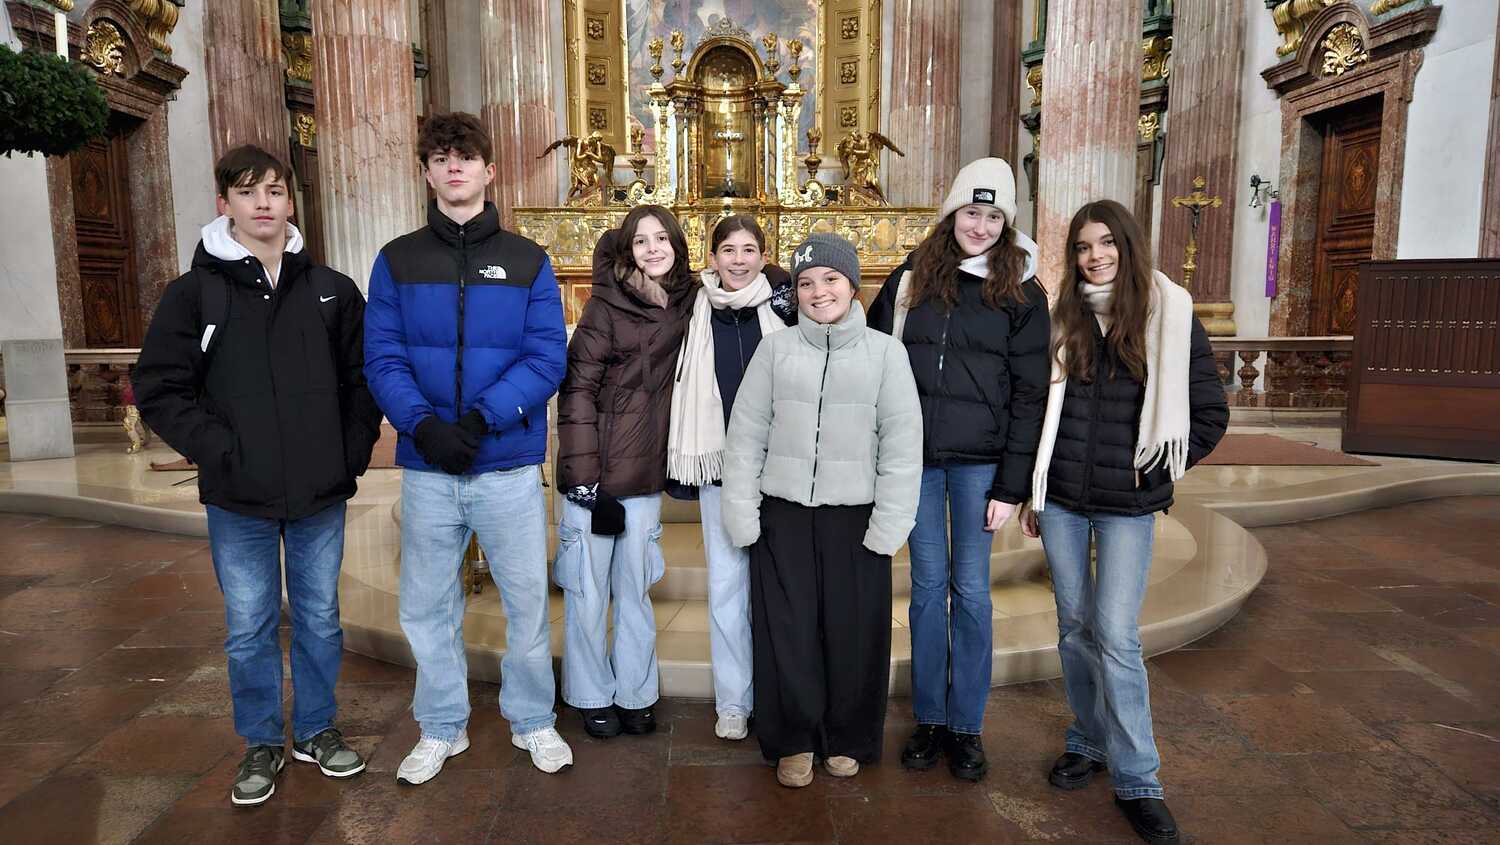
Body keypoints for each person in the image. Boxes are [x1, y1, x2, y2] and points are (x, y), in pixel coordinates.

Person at [133, 145, 382, 805]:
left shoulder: (331, 290)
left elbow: (364, 380)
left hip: (319, 490)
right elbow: (159, 386)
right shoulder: (195, 293)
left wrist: (348, 452)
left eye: (274, 190)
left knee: (320, 617)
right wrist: (218, 449)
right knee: (249, 624)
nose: (263, 203)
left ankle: (317, 729)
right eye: (247, 192)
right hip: (238, 494)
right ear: (225, 204)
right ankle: (262, 740)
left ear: (290, 201)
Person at [364, 111, 572, 782]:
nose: (453, 166)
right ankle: (441, 726)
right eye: (440, 157)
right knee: (427, 606)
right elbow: (383, 356)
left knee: (525, 601)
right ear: (427, 173)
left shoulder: (527, 260)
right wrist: (423, 426)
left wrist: (482, 420)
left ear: (489, 170)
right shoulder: (397, 259)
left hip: (505, 463)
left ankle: (532, 719)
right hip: (429, 467)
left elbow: (546, 357)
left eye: (465, 156)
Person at [1018, 199, 1229, 844]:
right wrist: (1031, 489)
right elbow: (1037, 407)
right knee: (1074, 629)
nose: (1095, 256)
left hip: (1127, 505)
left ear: (1127, 246)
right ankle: (1088, 737)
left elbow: (1209, 414)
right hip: (1061, 499)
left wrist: (1159, 469)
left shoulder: (1170, 313)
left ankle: (1139, 779)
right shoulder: (1064, 316)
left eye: (1106, 243)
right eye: (1083, 246)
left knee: (1116, 635)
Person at [869, 157, 1051, 781]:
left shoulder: (1023, 290)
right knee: (926, 589)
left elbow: (1031, 394)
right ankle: (930, 718)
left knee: (971, 592)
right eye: (972, 212)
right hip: (916, 462)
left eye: (994, 216)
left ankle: (967, 726)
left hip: (981, 467)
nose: (981, 226)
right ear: (952, 214)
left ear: (1007, 224)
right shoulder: (912, 278)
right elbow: (873, 356)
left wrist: (1012, 484)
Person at [723, 233, 922, 788]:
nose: (818, 292)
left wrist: (889, 525)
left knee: (853, 633)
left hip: (854, 518)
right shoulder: (774, 351)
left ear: (852, 285)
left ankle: (848, 737)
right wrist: (743, 512)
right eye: (806, 283)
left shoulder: (887, 353)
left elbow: (902, 446)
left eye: (831, 279)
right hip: (783, 515)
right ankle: (793, 740)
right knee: (787, 633)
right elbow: (746, 436)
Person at [554, 204, 698, 739]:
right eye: (641, 241)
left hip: (644, 475)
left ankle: (636, 693)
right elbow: (577, 391)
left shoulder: (688, 300)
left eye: (662, 239)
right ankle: (592, 694)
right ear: (626, 250)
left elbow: (740, 281)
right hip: (595, 476)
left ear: (677, 246)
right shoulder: (606, 305)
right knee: (589, 594)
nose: (653, 249)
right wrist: (584, 478)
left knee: (635, 592)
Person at [665, 215, 796, 741]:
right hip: (718, 466)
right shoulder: (694, 308)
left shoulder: (785, 308)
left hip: (778, 468)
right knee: (726, 586)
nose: (738, 260)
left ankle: (778, 695)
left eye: (748, 250)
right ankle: (734, 702)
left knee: (779, 587)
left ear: (764, 255)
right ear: (712, 256)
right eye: (728, 250)